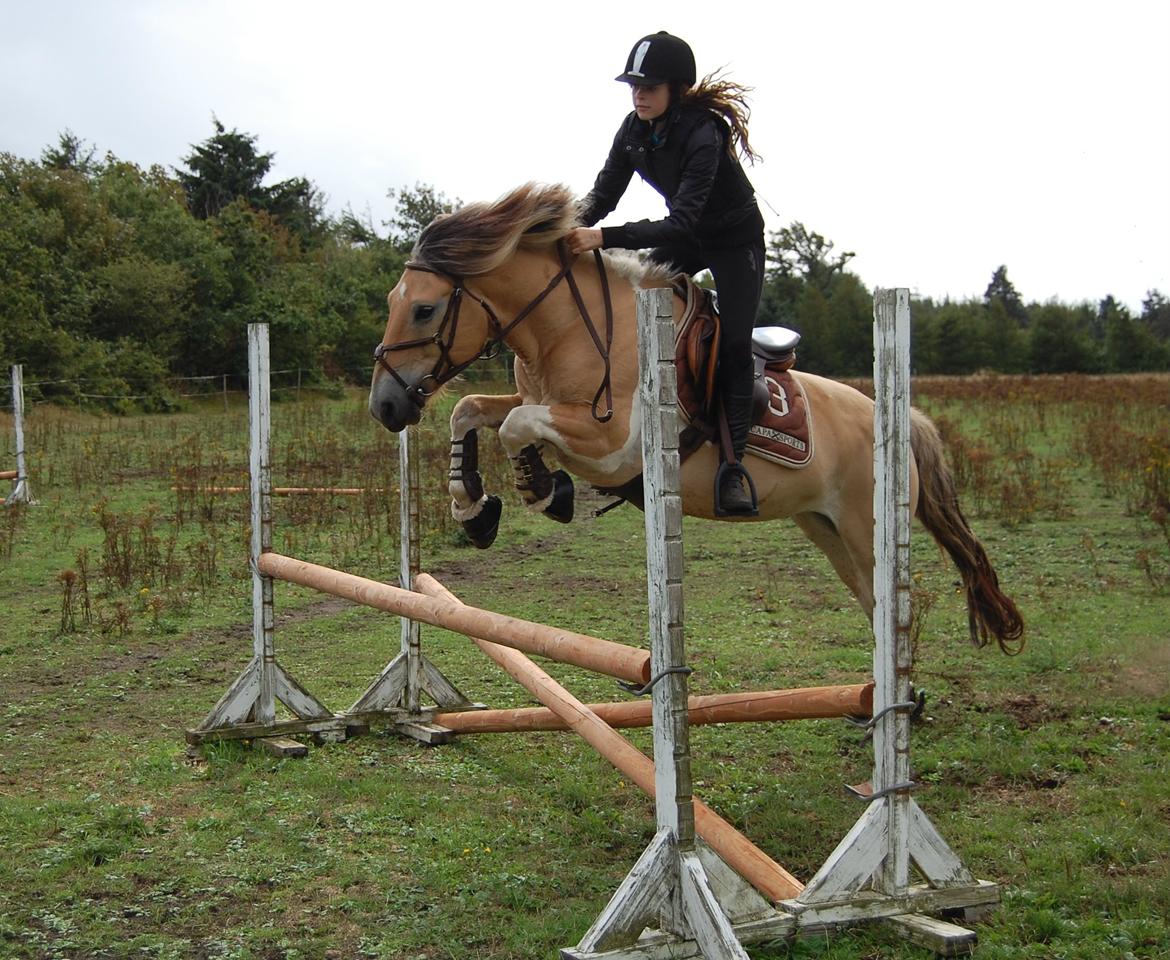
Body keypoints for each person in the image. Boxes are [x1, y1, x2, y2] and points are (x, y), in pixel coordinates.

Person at [567, 30, 766, 517]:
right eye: (634, 85)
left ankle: (734, 466)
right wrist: (562, 228)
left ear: (675, 89)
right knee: (632, 307)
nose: (639, 94)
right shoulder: (633, 130)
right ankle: (624, 433)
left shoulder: (703, 133)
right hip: (691, 236)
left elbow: (682, 221)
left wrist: (604, 238)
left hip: (735, 242)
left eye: (650, 86)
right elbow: (602, 197)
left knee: (736, 344)